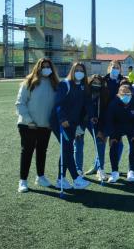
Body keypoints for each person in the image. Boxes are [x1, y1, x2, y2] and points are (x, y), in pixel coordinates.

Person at [15, 57, 59, 192]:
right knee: (27, 152)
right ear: (38, 68)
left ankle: (40, 177)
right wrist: (29, 120)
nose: (46, 69)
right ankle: (23, 181)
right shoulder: (29, 82)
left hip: (45, 126)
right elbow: (20, 103)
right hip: (28, 125)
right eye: (43, 66)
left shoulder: (55, 84)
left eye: (48, 66)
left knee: (42, 152)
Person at [50, 62, 91, 190]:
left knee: (65, 149)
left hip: (72, 124)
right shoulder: (65, 84)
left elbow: (85, 107)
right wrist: (62, 119)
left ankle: (60, 179)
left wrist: (85, 122)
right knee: (67, 149)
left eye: (82, 70)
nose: (79, 72)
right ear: (72, 71)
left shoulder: (83, 86)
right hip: (60, 122)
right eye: (77, 70)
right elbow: (58, 104)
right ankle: (76, 179)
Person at [104, 83, 134, 183]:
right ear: (118, 95)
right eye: (123, 94)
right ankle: (114, 173)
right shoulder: (113, 104)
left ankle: (131, 171)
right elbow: (109, 120)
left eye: (128, 93)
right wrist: (113, 136)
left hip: (131, 127)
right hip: (117, 126)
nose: (126, 96)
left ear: (132, 94)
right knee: (113, 144)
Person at [77, 74, 109, 182]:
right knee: (78, 143)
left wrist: (100, 129)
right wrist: (77, 124)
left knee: (100, 141)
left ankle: (100, 169)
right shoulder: (84, 92)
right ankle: (78, 170)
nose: (96, 85)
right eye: (94, 82)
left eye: (99, 83)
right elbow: (77, 109)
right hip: (81, 121)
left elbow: (104, 113)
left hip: (95, 121)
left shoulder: (104, 94)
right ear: (90, 83)